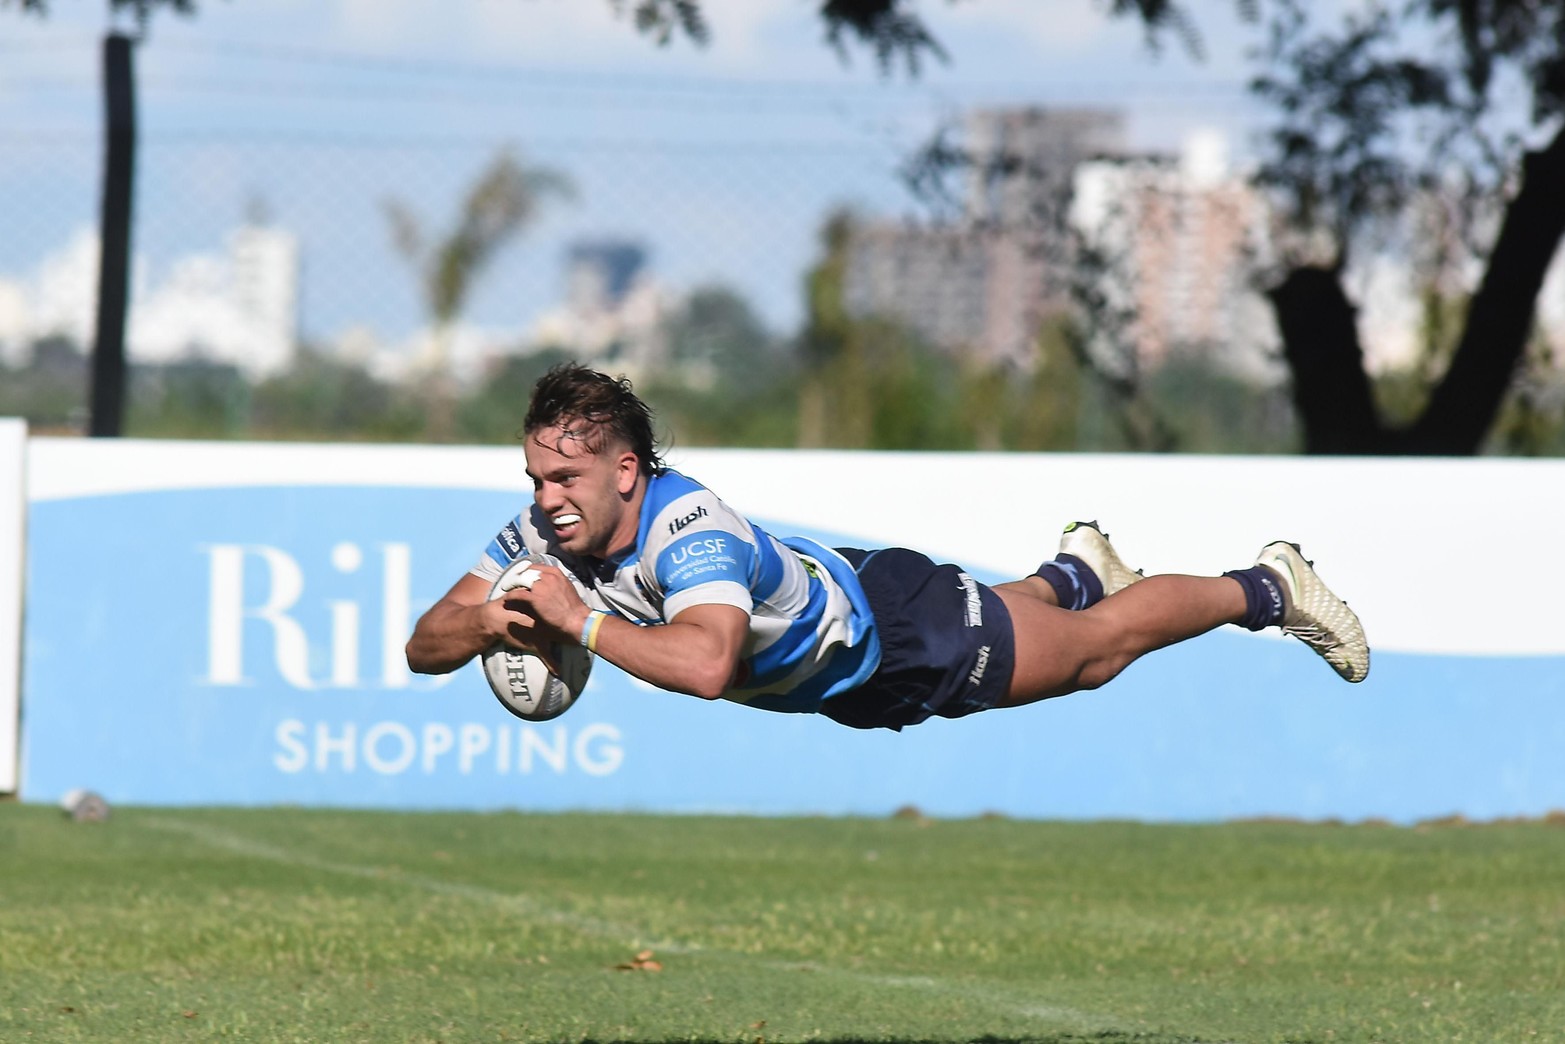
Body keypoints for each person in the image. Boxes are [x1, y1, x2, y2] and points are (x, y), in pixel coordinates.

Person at [406, 364, 1368, 731]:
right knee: (1042, 619)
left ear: (625, 471)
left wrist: (573, 619)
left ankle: (1267, 589)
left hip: (893, 633)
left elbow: (704, 665)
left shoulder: (688, 531)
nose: (545, 499)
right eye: (536, 476)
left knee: (1092, 656)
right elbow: (424, 643)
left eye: (564, 480)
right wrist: (489, 619)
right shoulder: (545, 530)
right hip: (848, 666)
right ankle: (1071, 572)